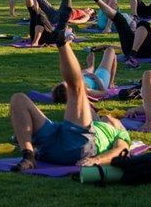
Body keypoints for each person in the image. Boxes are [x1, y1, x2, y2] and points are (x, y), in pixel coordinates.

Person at [9, 14, 131, 171]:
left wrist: (98, 160)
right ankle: (28, 156)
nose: (109, 116)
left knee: (77, 88)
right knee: (18, 99)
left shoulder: (119, 133)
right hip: (55, 139)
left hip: (78, 146)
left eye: (114, 120)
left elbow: (122, 150)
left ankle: (62, 42)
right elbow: (86, 109)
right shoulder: (96, 122)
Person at [52, 47, 117, 102]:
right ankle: (110, 83)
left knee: (77, 75)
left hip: (88, 76)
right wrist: (95, 77)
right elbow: (104, 92)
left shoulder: (64, 85)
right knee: (110, 51)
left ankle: (91, 67)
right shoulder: (85, 90)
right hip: (100, 79)